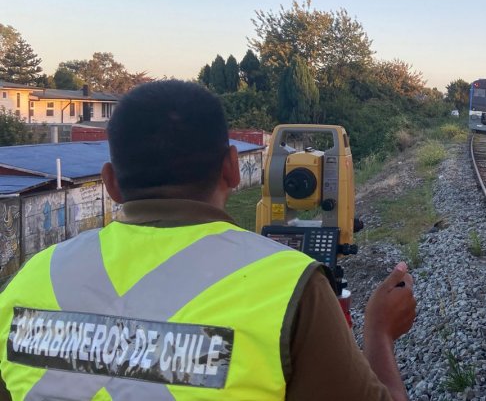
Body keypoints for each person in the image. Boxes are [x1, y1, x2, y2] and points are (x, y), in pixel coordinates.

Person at [0, 80, 416, 400]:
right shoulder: (290, 287)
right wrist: (378, 331)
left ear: (110, 183)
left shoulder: (29, 280)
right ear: (233, 169)